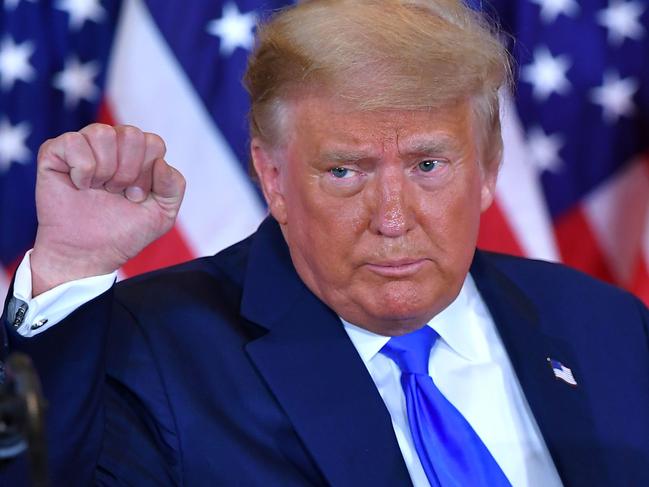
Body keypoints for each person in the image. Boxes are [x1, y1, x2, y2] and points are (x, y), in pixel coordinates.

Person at [3, 0, 649, 485]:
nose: (392, 218)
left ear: (486, 167)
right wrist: (72, 266)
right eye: (344, 171)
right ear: (273, 177)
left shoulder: (607, 328)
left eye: (428, 165)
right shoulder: (160, 349)